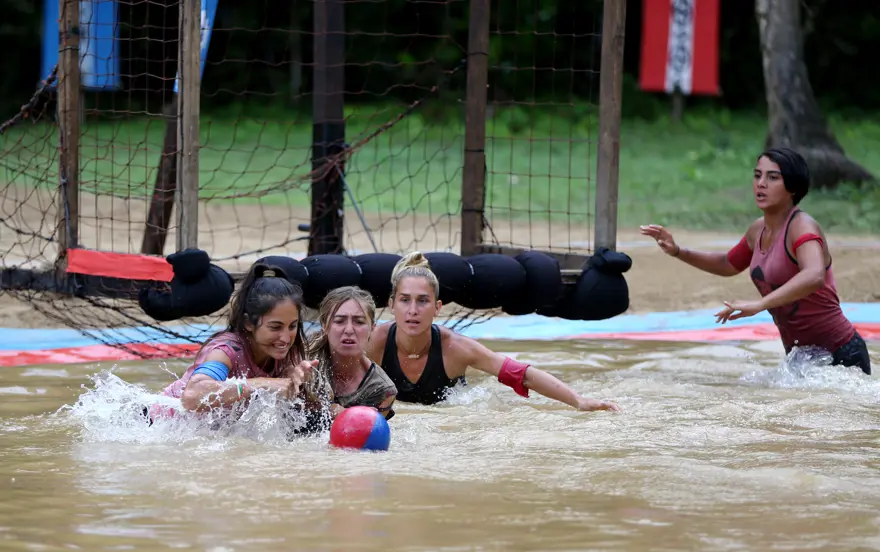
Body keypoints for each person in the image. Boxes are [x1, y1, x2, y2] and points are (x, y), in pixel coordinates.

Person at [639, 147, 871, 375]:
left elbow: (814, 276)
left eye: (773, 177)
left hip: (842, 354)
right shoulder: (758, 229)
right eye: (757, 175)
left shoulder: (802, 227)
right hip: (800, 359)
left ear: (792, 186)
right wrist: (677, 251)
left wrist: (760, 305)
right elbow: (727, 264)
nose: (761, 183)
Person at [365, 252, 622, 411]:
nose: (413, 310)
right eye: (404, 300)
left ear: (437, 308)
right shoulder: (373, 342)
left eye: (422, 301)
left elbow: (521, 374)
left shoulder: (456, 348)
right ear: (391, 305)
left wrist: (578, 400)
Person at [148, 262, 329, 424]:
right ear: (248, 323)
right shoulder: (226, 351)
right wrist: (259, 383)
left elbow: (316, 405)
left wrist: (302, 380)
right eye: (275, 327)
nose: (285, 338)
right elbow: (191, 396)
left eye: (293, 326)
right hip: (155, 423)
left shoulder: (287, 351)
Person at [309, 286, 398, 419]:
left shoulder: (382, 390)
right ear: (324, 326)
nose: (349, 330)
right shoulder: (302, 361)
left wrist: (348, 416)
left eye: (359, 322)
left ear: (372, 327)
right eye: (339, 321)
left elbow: (373, 436)